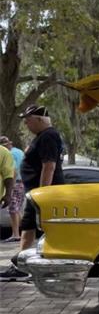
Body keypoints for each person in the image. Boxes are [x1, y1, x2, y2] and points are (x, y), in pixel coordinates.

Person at [0, 105, 65, 281]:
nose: (26, 123)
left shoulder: (48, 136)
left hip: (41, 194)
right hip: (34, 192)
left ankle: (33, 266)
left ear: (39, 119)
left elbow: (49, 166)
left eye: (28, 119)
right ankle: (22, 265)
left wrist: (42, 194)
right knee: (28, 227)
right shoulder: (42, 136)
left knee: (34, 228)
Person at [0, 136, 25, 241]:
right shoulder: (19, 151)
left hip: (15, 183)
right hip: (22, 183)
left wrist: (9, 190)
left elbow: (13, 171)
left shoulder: (10, 154)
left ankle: (16, 234)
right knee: (17, 209)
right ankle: (20, 233)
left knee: (13, 210)